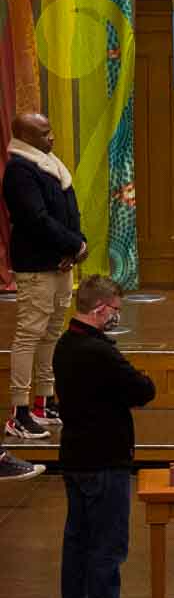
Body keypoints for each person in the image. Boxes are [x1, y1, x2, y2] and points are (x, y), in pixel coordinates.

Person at [52, 276, 153, 598]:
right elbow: (142, 390)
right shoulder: (99, 352)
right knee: (108, 546)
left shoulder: (64, 345)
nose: (117, 317)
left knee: (76, 543)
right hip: (105, 459)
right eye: (115, 311)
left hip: (75, 457)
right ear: (100, 309)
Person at [5, 112, 84, 441]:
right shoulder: (19, 171)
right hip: (36, 266)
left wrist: (75, 247)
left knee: (52, 331)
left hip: (60, 262)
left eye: (51, 131)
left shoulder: (47, 163)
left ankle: (43, 402)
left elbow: (66, 210)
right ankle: (19, 412)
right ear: (25, 137)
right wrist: (73, 243)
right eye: (44, 133)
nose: (51, 138)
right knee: (30, 334)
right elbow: (35, 219)